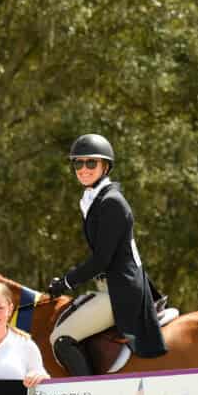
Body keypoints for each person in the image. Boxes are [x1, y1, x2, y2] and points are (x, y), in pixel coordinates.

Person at [47, 133, 167, 376]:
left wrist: (67, 281)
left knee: (60, 338)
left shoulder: (111, 202)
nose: (83, 169)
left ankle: (90, 393)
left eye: (91, 163)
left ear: (105, 166)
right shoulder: (95, 199)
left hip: (121, 291)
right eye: (78, 163)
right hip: (109, 287)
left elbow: (102, 259)